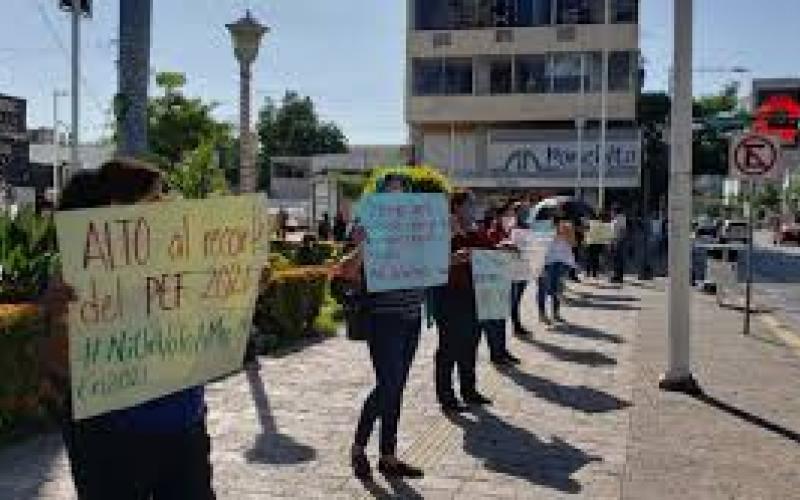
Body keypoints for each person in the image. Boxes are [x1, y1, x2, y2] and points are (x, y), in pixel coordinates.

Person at [41, 159, 216, 500]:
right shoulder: (75, 280)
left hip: (184, 428)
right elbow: (58, 371)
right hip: (111, 440)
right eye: (156, 198)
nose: (168, 204)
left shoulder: (182, 264)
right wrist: (60, 318)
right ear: (114, 212)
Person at [338, 173, 425, 481]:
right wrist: (367, 245)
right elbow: (347, 270)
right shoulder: (365, 226)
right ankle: (359, 447)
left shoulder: (418, 228)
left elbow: (433, 264)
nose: (397, 199)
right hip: (384, 319)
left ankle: (388, 455)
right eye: (390, 193)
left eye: (402, 193)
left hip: (413, 317)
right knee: (388, 385)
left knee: (397, 388)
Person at [432, 190, 494, 414]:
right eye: (470, 204)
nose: (474, 208)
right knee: (448, 347)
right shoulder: (442, 229)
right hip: (449, 295)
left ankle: (469, 390)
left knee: (471, 344)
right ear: (457, 207)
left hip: (475, 294)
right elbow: (430, 261)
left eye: (474, 204)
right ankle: (446, 396)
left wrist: (504, 249)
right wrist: (456, 256)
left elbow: (491, 252)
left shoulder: (478, 230)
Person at [477, 208, 521, 367]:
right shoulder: (489, 231)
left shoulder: (507, 231)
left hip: (502, 279)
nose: (511, 218)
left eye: (512, 216)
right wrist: (502, 247)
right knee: (492, 321)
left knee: (501, 319)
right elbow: (486, 251)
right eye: (508, 215)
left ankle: (501, 350)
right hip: (489, 282)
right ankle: (496, 353)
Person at [537, 220, 577, 325]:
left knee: (558, 286)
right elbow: (539, 244)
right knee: (544, 288)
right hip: (546, 261)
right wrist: (552, 235)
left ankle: (555, 313)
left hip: (562, 261)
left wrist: (567, 234)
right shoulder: (542, 227)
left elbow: (574, 244)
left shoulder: (568, 226)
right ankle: (542, 313)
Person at [509, 201, 533, 337]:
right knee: (514, 298)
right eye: (524, 210)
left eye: (527, 210)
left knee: (518, 298)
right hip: (514, 267)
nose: (527, 213)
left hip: (525, 266)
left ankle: (516, 324)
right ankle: (516, 325)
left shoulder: (528, 226)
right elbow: (514, 247)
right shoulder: (513, 227)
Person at [611, 207, 628, 284]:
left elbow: (623, 231)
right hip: (616, 241)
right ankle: (617, 276)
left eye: (612, 211)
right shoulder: (617, 219)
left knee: (618, 260)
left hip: (618, 241)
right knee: (616, 260)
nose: (612, 213)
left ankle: (618, 277)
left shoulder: (620, 219)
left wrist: (618, 240)